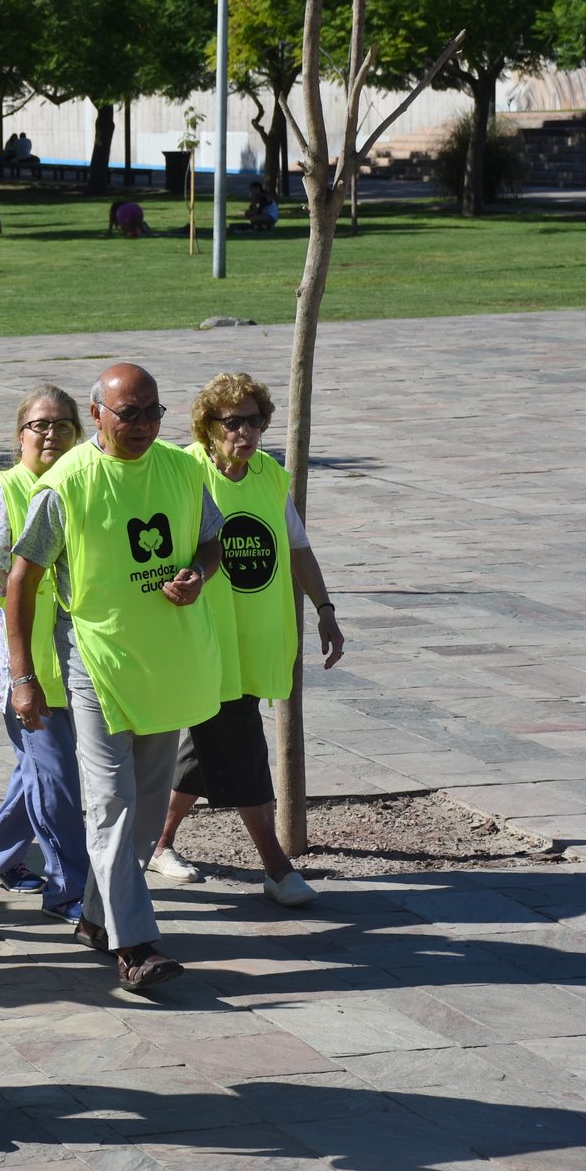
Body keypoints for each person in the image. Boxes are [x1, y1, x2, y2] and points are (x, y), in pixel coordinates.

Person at [7, 363, 223, 992]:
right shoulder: (67, 483)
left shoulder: (183, 470)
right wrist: (22, 674)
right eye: (129, 413)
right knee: (111, 805)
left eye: (153, 412)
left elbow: (213, 540)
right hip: (95, 663)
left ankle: (99, 920)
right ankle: (137, 945)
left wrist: (198, 574)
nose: (144, 425)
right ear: (97, 415)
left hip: (166, 665)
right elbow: (21, 580)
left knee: (148, 807)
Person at [146, 373, 345, 901]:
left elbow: (296, 547)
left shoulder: (269, 475)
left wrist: (325, 609)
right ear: (207, 426)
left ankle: (158, 841)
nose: (247, 432)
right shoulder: (183, 471)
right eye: (233, 422)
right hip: (201, 639)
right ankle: (276, 868)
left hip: (254, 637)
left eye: (255, 420)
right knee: (238, 740)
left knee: (208, 741)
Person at [0, 386, 91, 924]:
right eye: (40, 425)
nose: (52, 434)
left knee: (38, 770)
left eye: (63, 424)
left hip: (78, 656)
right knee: (58, 776)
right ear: (20, 437)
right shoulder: (4, 489)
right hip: (22, 660)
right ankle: (69, 889)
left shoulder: (82, 483)